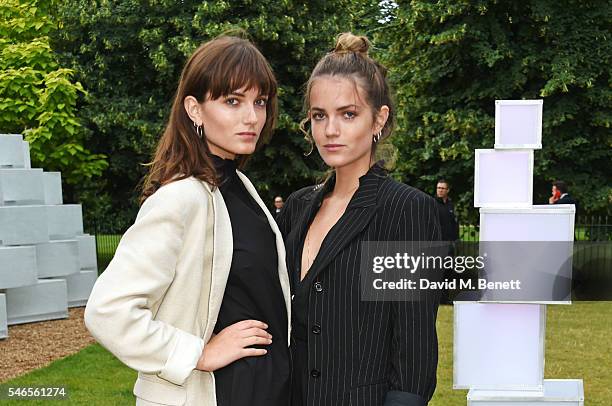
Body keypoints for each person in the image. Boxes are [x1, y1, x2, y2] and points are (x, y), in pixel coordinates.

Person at [84, 35, 291, 406]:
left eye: (259, 102)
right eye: (232, 101)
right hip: (214, 395)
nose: (252, 117)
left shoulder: (242, 189)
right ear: (194, 109)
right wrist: (196, 354)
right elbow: (107, 311)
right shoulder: (181, 198)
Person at [277, 33, 442, 406]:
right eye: (319, 116)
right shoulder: (298, 207)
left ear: (378, 119)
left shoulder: (405, 210)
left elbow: (414, 349)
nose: (330, 130)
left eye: (348, 114)